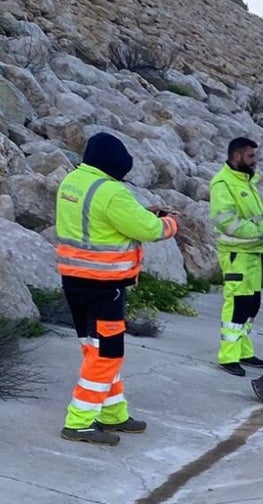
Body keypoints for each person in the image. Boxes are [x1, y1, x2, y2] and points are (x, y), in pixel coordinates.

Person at [55, 132, 179, 445]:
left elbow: (101, 222)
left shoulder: (72, 182)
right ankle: (79, 422)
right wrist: (170, 223)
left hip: (74, 281)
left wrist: (139, 214)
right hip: (103, 285)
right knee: (107, 354)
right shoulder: (112, 192)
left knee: (94, 349)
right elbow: (148, 229)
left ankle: (113, 414)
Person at [210, 137, 263, 376]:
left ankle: (244, 351)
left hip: (252, 252)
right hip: (237, 253)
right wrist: (257, 232)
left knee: (252, 304)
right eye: (250, 156)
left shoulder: (245, 181)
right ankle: (228, 356)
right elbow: (225, 220)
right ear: (236, 156)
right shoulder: (223, 183)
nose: (254, 161)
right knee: (237, 304)